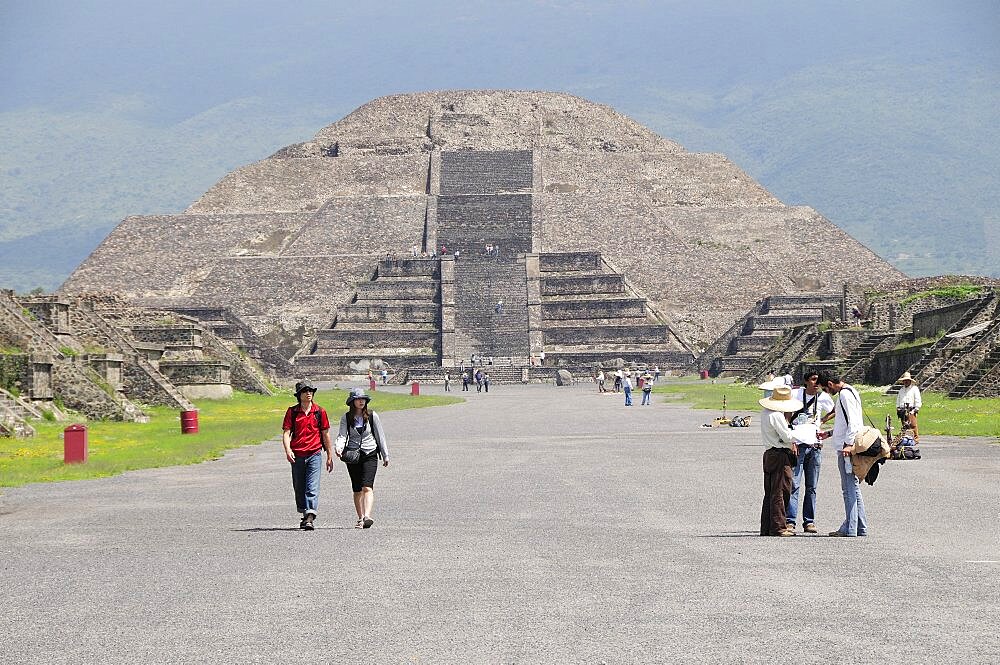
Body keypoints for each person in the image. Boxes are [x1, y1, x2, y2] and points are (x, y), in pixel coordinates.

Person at [818, 372, 868, 537]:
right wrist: (830, 433)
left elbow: (853, 423)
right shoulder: (850, 391)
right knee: (853, 487)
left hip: (847, 448)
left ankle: (850, 527)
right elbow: (845, 422)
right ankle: (860, 526)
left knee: (848, 489)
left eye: (825, 389)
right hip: (848, 443)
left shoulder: (845, 395)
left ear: (830, 384)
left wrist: (847, 444)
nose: (826, 392)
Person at [785, 370, 835, 533]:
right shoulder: (796, 394)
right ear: (806, 381)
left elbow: (835, 410)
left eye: (818, 380)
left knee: (812, 486)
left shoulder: (823, 397)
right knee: (794, 484)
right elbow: (786, 412)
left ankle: (809, 521)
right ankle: (790, 520)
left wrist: (821, 421)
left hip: (815, 445)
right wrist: (790, 436)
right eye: (813, 380)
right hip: (798, 444)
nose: (816, 383)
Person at [335, 388, 390, 529]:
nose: (361, 401)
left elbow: (380, 436)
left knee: (367, 486)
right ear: (352, 402)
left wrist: (385, 455)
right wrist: (339, 447)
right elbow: (342, 435)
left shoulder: (372, 416)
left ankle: (367, 516)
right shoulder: (346, 418)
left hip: (370, 453)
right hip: (353, 455)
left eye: (363, 399)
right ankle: (360, 517)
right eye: (358, 399)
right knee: (357, 489)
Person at [281, 381, 333, 530]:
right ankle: (305, 514)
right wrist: (288, 450)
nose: (308, 393)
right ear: (299, 395)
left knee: (312, 486)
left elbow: (325, 434)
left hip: (314, 453)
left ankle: (310, 516)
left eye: (310, 390)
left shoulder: (319, 412)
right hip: (297, 454)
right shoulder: (292, 412)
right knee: (299, 487)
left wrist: (329, 455)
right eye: (305, 391)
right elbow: (286, 433)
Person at [758, 385, 803, 537]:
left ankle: (767, 526)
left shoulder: (765, 413)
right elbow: (786, 437)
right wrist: (801, 434)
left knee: (770, 491)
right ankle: (778, 526)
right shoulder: (777, 416)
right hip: (780, 454)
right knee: (781, 490)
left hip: (770, 453)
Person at [895, 371, 922, 441]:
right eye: (905, 381)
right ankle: (906, 439)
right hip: (902, 409)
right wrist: (898, 407)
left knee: (913, 425)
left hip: (911, 409)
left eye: (907, 380)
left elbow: (917, 399)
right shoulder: (901, 390)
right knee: (904, 425)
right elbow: (898, 399)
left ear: (910, 381)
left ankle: (915, 439)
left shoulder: (914, 389)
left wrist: (916, 408)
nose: (906, 382)